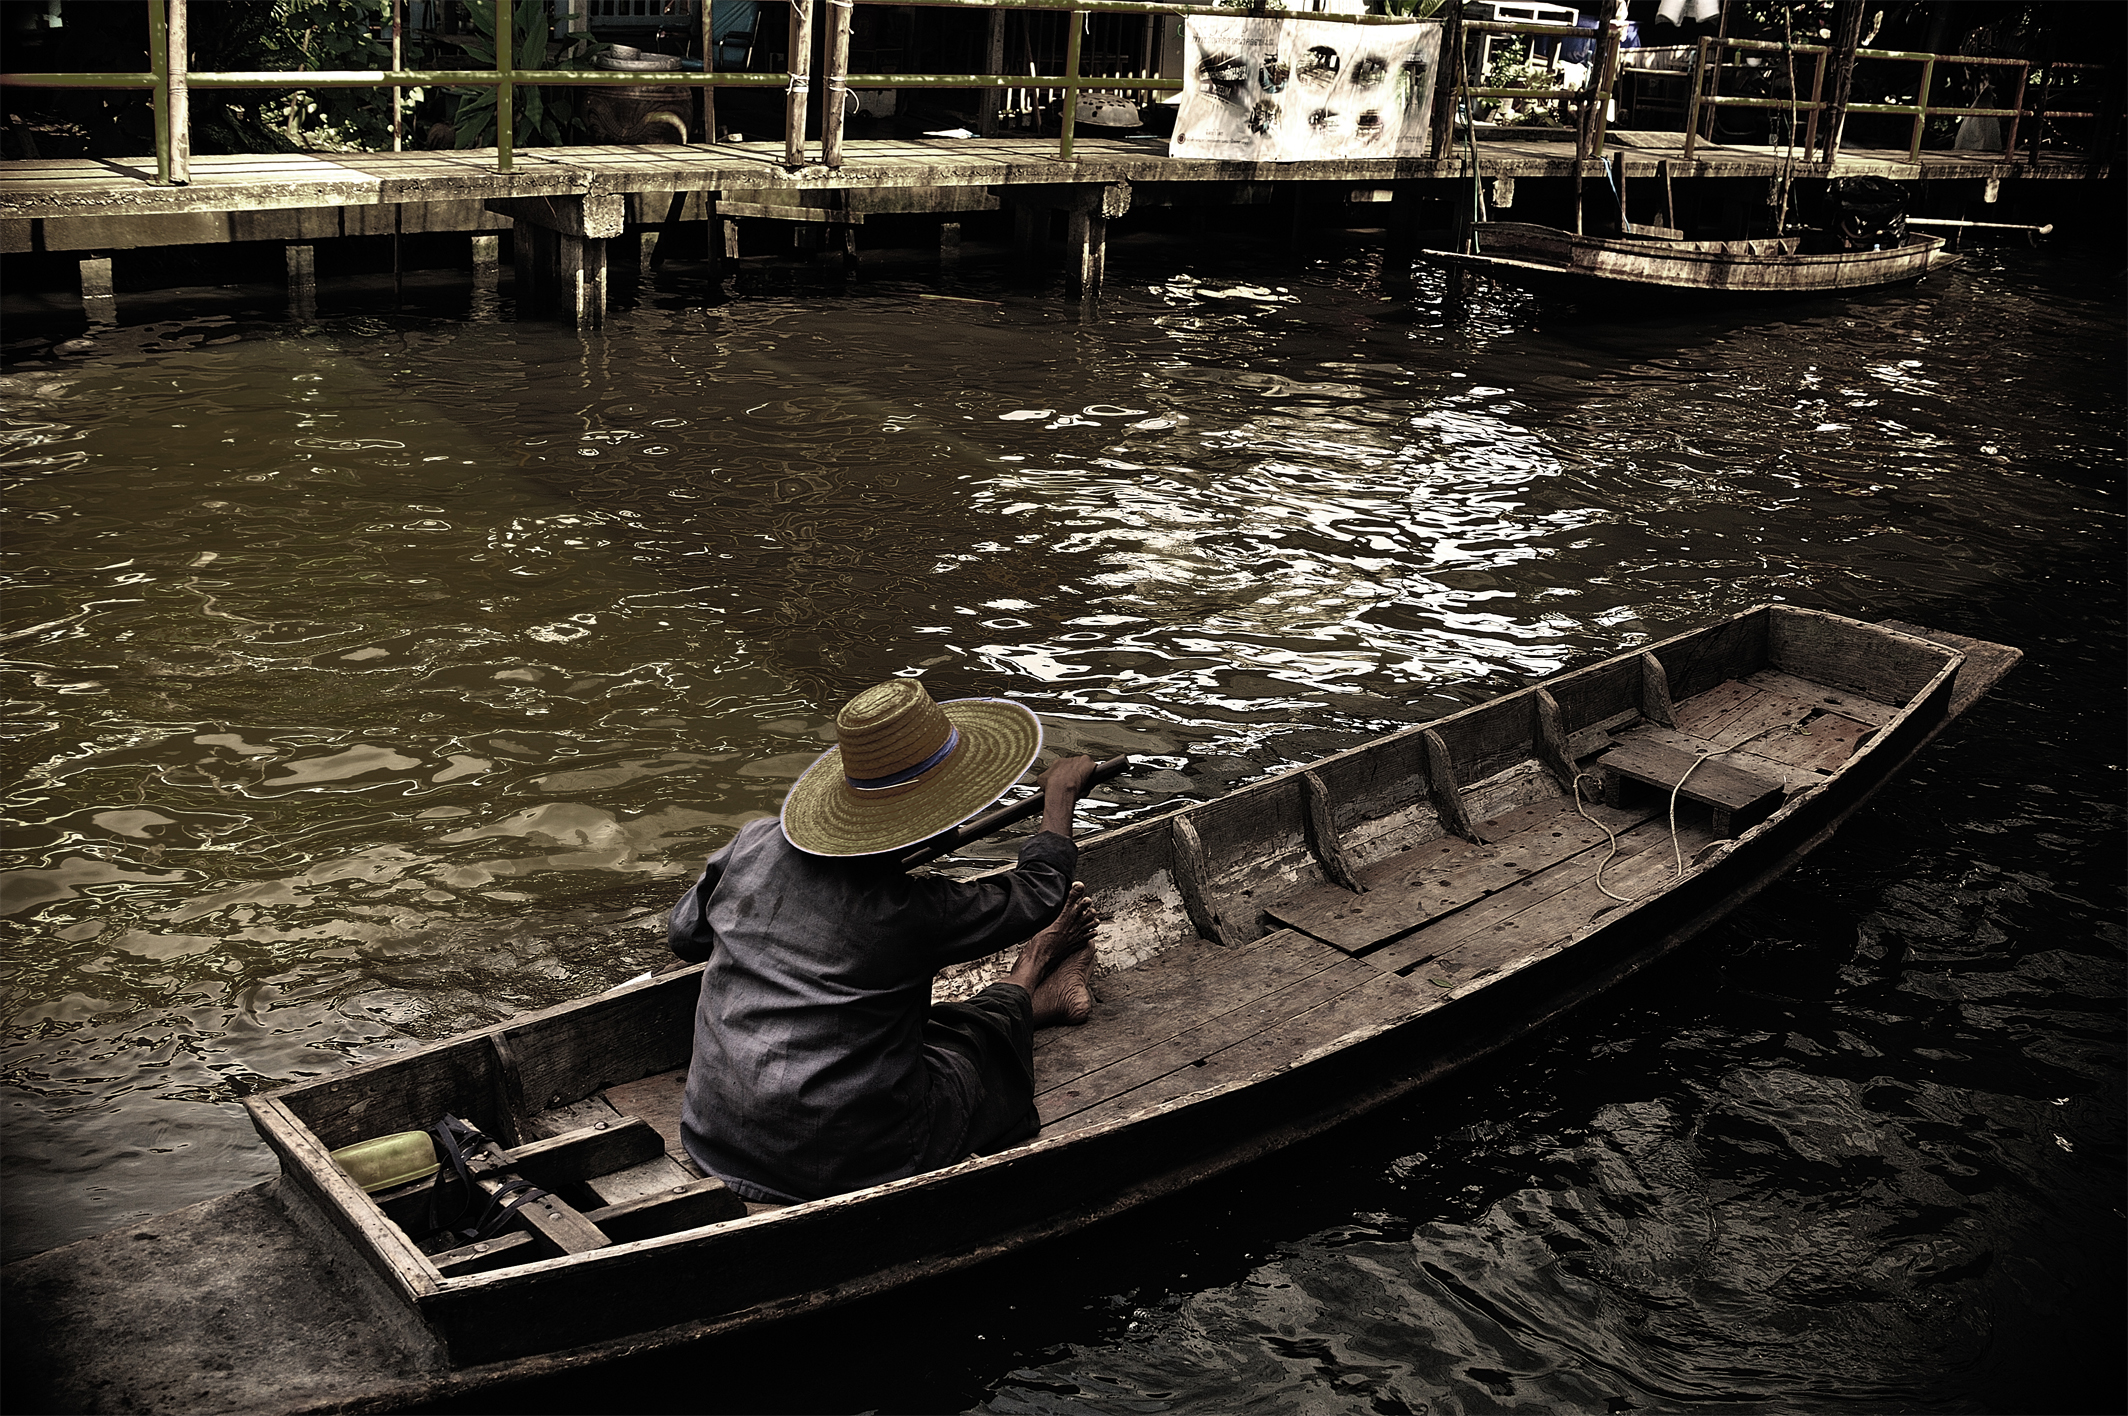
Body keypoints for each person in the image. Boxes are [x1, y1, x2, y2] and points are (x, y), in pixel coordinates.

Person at [666, 677, 1103, 1206]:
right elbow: (1039, 891)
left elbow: (686, 937)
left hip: (716, 1133)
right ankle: (1027, 979)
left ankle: (1023, 994)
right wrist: (1060, 797)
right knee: (972, 1050)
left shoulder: (753, 844)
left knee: (910, 1026)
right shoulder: (910, 911)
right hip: (854, 1157)